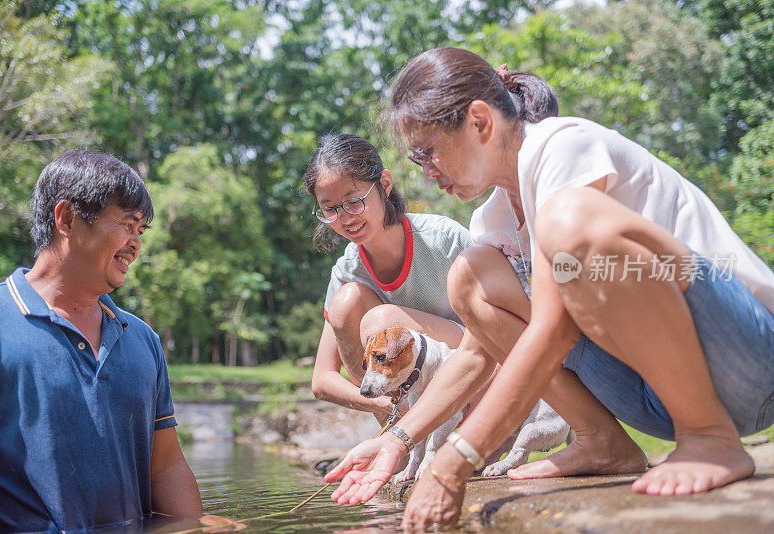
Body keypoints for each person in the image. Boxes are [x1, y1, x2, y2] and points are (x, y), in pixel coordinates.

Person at [324, 47, 774, 529]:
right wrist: (399, 438)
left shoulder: (563, 145)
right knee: (470, 277)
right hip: (653, 397)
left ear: (479, 121)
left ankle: (708, 433)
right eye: (416, 157)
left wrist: (456, 460)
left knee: (569, 226)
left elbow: (553, 329)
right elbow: (478, 355)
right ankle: (602, 440)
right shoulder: (492, 221)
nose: (425, 170)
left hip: (746, 362)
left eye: (428, 151)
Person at [0, 151, 233, 531]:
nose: (135, 244)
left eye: (141, 231)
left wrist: (192, 525)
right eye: (128, 225)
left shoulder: (142, 339)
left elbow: (166, 464)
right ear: (67, 219)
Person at [305, 134, 473, 424]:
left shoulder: (445, 240)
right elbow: (322, 380)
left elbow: (496, 330)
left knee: (379, 321)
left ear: (384, 184)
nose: (345, 219)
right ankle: (402, 433)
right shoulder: (347, 271)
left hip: (470, 368)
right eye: (330, 209)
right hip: (402, 403)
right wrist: (382, 405)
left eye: (354, 202)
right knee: (345, 302)